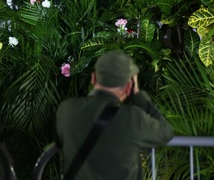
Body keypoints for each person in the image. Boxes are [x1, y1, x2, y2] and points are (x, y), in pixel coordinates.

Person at [56, 50, 173, 180]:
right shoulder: (132, 118)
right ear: (129, 86)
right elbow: (165, 132)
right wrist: (138, 94)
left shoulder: (67, 109)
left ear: (93, 78)